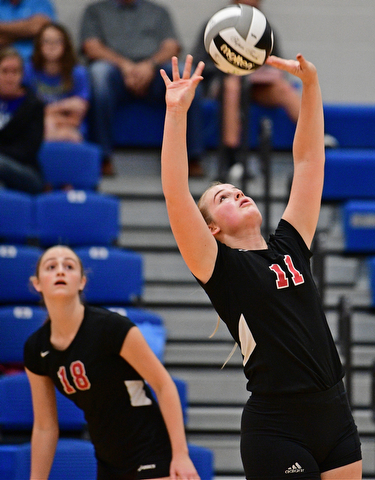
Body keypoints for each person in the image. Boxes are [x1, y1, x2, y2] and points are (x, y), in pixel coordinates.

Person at [160, 54, 362, 480]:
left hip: (336, 414)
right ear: (210, 228)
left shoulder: (290, 243)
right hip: (278, 427)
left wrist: (310, 86)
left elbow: (308, 162)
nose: (237, 195)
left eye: (236, 190)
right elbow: (177, 193)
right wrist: (176, 112)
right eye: (223, 198)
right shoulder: (220, 267)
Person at [23, 245, 200, 480]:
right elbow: (45, 426)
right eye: (51, 267)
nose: (60, 271)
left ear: (82, 281)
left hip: (151, 449)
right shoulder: (36, 348)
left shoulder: (111, 327)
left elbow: (163, 385)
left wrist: (181, 455)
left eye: (69, 266)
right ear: (37, 284)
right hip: (108, 460)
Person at [192, 0, 338, 180]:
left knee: (283, 88)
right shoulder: (215, 24)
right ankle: (232, 158)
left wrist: (263, 72)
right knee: (232, 85)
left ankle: (316, 137)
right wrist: (232, 67)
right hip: (222, 83)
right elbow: (201, 64)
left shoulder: (264, 28)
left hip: (256, 84)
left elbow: (275, 63)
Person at [79, 0, 205, 177]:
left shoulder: (158, 12)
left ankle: (191, 157)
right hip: (115, 72)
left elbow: (172, 47)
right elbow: (91, 47)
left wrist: (149, 66)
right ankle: (102, 157)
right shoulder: (95, 11)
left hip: (153, 71)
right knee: (98, 74)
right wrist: (126, 66)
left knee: (186, 77)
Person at [23, 22, 90, 142]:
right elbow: (24, 112)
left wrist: (46, 113)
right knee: (46, 127)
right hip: (38, 125)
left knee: (64, 134)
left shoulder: (78, 73)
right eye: (46, 41)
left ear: (65, 45)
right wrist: (63, 106)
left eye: (57, 41)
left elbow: (76, 119)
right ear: (39, 45)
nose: (51, 45)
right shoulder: (28, 70)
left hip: (70, 128)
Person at [0, 46, 44, 193]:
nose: (10, 77)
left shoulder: (33, 105)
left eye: (15, 72)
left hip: (25, 171)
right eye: (5, 71)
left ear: (22, 75)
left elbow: (27, 150)